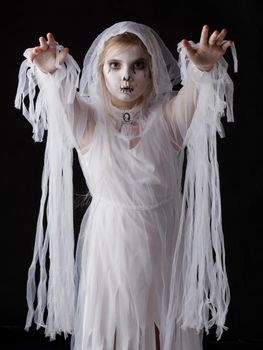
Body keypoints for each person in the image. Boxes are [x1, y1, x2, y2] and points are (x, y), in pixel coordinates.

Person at [15, 21, 237, 350]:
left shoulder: (168, 117)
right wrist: (50, 74)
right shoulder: (88, 118)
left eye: (138, 66)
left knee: (161, 321)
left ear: (151, 72)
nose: (126, 76)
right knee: (112, 327)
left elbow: (192, 95)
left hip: (161, 238)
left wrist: (202, 71)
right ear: (101, 71)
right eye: (115, 65)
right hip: (109, 242)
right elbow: (61, 103)